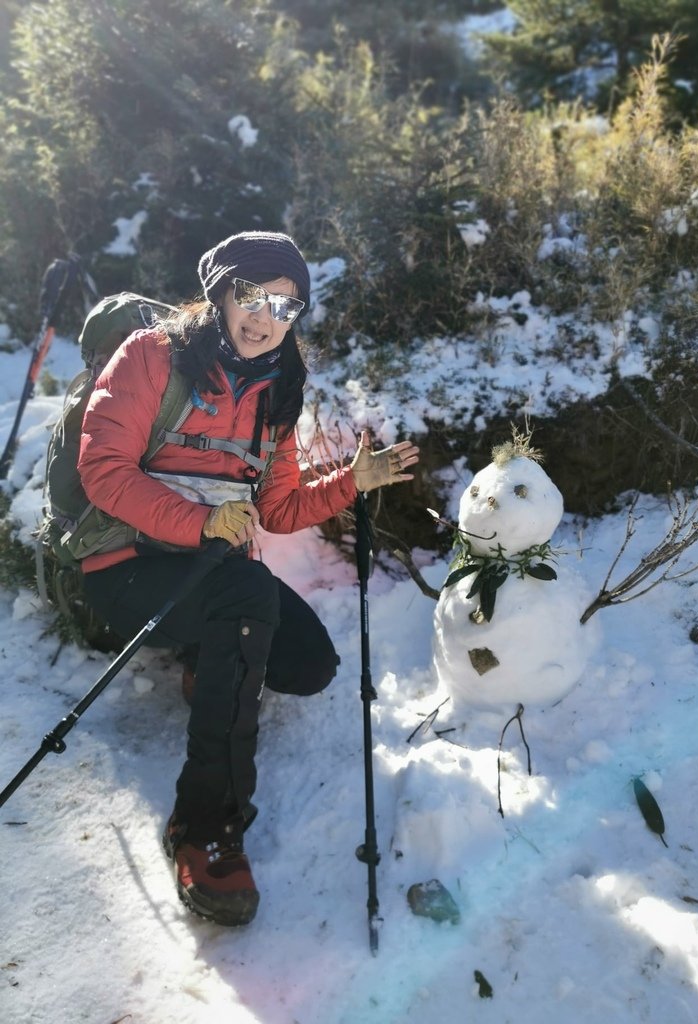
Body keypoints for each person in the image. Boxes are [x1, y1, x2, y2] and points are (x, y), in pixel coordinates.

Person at [77, 230, 419, 927]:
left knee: (308, 665)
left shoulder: (279, 390)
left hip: (213, 576)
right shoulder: (152, 357)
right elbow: (103, 470)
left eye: (287, 308)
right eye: (253, 296)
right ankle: (205, 827)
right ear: (222, 292)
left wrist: (350, 483)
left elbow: (280, 507)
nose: (266, 318)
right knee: (246, 595)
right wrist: (198, 524)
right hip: (127, 565)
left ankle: (213, 659)